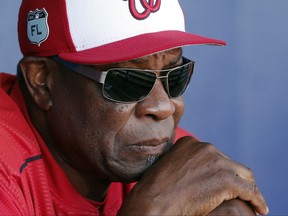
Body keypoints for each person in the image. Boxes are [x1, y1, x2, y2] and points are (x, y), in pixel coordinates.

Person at [0, 0, 268, 215]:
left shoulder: (147, 147)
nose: (163, 107)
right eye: (127, 81)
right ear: (42, 82)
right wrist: (154, 208)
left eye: (174, 76)